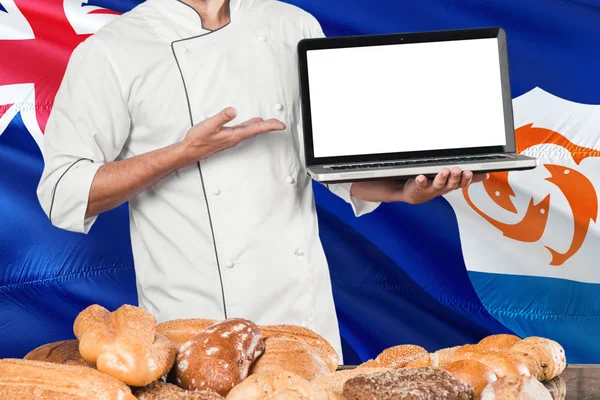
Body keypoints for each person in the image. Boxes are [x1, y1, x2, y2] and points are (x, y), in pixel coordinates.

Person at [37, 0, 486, 361]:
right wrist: (182, 153)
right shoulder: (113, 49)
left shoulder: (293, 25)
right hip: (193, 326)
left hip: (302, 315)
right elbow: (64, 192)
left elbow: (326, 163)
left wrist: (404, 190)